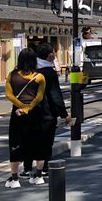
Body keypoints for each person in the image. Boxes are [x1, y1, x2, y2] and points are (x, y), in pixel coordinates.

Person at [4, 48, 47, 188]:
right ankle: (39, 175)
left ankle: (15, 179)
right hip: (35, 113)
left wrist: (21, 107)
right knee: (39, 143)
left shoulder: (12, 75)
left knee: (15, 143)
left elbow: (9, 95)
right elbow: (39, 97)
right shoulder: (39, 77)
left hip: (17, 114)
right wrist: (28, 108)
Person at [34, 43, 73, 179]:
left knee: (31, 140)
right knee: (46, 141)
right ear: (50, 55)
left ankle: (27, 169)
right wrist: (64, 114)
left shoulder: (31, 69)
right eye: (52, 53)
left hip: (29, 111)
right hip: (46, 112)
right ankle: (43, 168)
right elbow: (55, 95)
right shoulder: (49, 72)